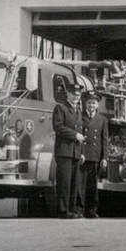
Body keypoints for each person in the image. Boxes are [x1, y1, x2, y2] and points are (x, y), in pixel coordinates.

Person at [52, 83, 86, 218]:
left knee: (74, 182)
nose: (76, 97)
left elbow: (81, 132)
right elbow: (58, 126)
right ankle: (63, 210)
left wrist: (82, 151)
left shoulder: (78, 110)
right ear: (68, 94)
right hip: (64, 151)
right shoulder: (60, 108)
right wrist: (74, 135)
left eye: (78, 95)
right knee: (64, 182)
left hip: (76, 152)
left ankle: (71, 210)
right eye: (73, 94)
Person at [76, 91, 108, 219]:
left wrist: (104, 157)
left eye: (93, 103)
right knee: (80, 184)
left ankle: (92, 210)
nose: (91, 105)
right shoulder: (79, 116)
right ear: (85, 103)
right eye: (89, 102)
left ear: (97, 104)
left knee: (92, 185)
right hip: (83, 155)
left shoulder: (102, 119)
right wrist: (80, 153)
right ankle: (79, 209)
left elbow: (104, 139)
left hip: (95, 155)